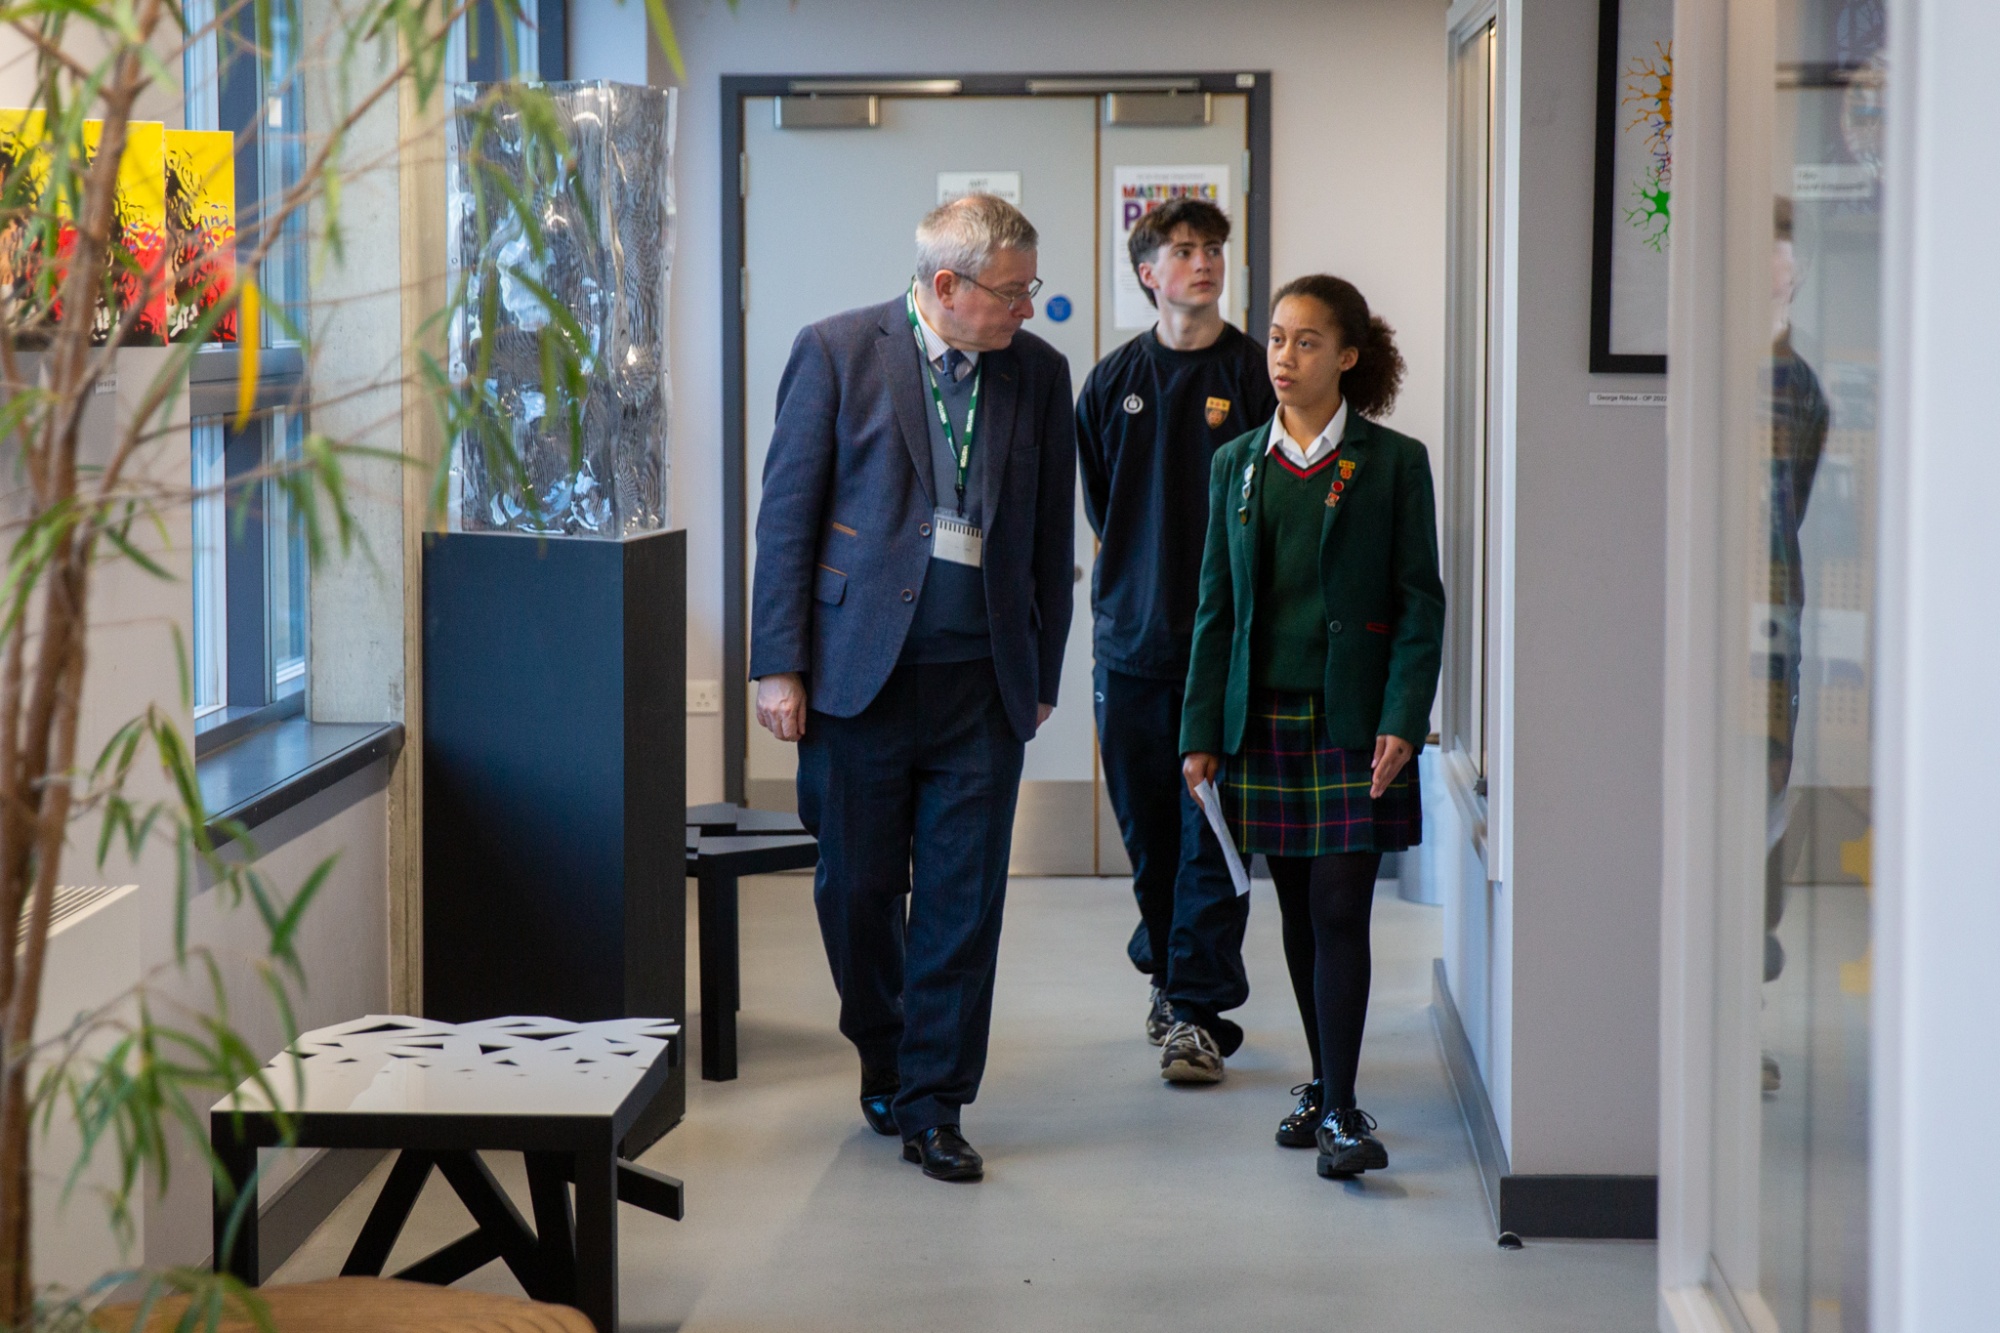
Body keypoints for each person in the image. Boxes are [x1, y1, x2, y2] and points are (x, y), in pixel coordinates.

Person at [749, 194, 1076, 1183]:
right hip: (858, 683)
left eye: (1030, 289)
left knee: (960, 902)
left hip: (981, 686)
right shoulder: (838, 351)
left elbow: (1050, 535)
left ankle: (935, 1102)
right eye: (1013, 292)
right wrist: (777, 663)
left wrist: (1043, 667)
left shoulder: (1040, 374)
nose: (1028, 307)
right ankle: (881, 1046)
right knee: (855, 890)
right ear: (945, 286)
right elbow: (786, 516)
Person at [1180, 274, 1443, 1178]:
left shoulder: (1394, 463)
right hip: (1260, 725)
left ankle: (1338, 1109)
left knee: (1341, 907)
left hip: (1352, 724)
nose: (1283, 359)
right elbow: (1216, 606)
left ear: (1348, 355)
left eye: (1305, 343)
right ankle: (1329, 1082)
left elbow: (1420, 603)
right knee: (1295, 911)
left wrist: (1405, 717)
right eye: (1277, 341)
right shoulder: (1237, 465)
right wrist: (1199, 732)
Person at [1076, 198, 1277, 1084]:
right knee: (1154, 837)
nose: (1204, 262)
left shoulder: (1258, 376)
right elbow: (1100, 505)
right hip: (1132, 644)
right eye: (1184, 250)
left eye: (1214, 249)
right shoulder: (1110, 382)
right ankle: (1168, 974)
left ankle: (1195, 1009)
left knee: (1215, 836)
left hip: (1229, 653)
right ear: (1149, 272)